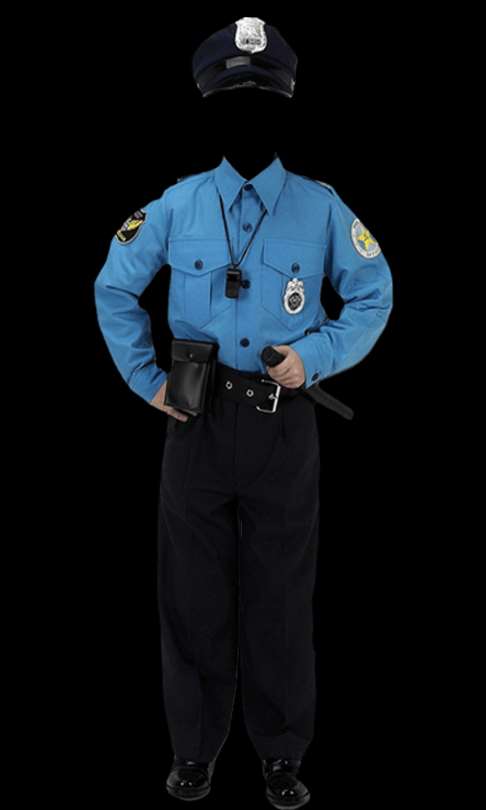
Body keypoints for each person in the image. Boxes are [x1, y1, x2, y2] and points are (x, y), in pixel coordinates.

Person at [93, 17, 393, 808]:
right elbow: (114, 285)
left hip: (282, 424)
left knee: (280, 596)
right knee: (191, 593)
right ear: (210, 108)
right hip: (193, 420)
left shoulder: (320, 208)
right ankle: (194, 751)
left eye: (263, 103)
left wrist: (316, 355)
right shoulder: (178, 205)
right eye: (233, 104)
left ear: (285, 107)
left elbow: (374, 291)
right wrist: (145, 378)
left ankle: (282, 754)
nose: (248, 121)